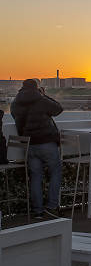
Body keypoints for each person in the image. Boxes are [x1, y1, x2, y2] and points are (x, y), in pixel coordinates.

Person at [11, 79, 63, 219]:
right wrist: (43, 95)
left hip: (29, 145)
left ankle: (38, 211)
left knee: (35, 177)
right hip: (46, 142)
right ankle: (51, 207)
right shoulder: (41, 100)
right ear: (36, 88)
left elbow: (17, 120)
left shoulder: (15, 103)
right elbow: (58, 109)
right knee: (56, 172)